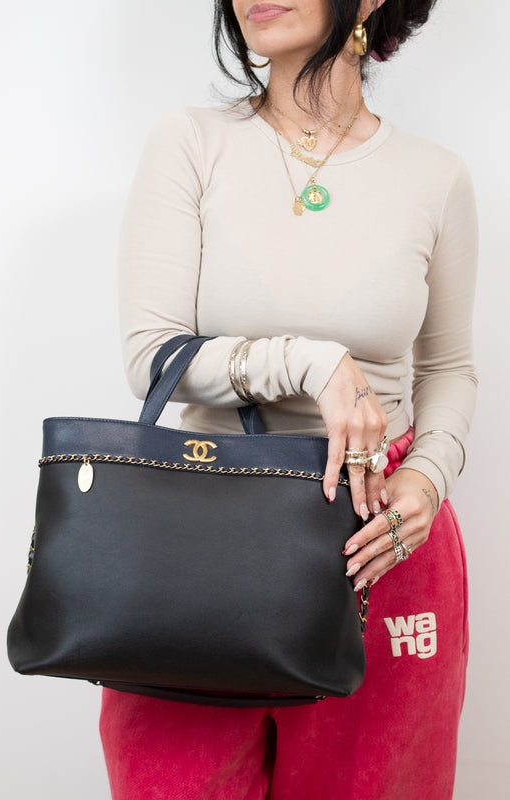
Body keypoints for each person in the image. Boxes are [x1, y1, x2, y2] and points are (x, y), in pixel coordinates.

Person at [100, 1, 478, 798]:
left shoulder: (433, 176)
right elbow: (151, 355)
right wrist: (311, 363)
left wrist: (427, 479)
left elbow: (446, 365)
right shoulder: (192, 142)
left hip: (383, 539)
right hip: (201, 540)